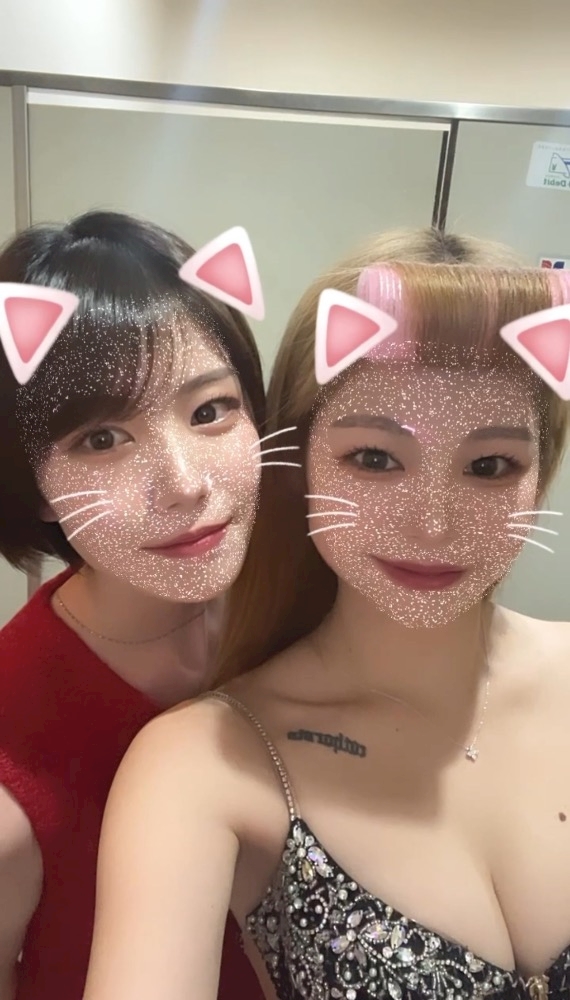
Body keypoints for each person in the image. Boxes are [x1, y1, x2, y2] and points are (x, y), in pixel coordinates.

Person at [83, 227, 570, 1000]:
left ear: (539, 476)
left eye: (489, 466)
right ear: (299, 461)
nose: (432, 525)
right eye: (374, 458)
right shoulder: (202, 767)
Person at [0, 210, 266, 1000]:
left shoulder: (303, 616)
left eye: (211, 410)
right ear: (31, 485)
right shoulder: (13, 765)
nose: (184, 484)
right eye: (101, 440)